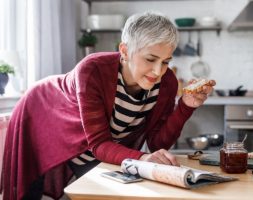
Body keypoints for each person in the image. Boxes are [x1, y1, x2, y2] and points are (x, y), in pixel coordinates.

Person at [0, 11, 215, 200]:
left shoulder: (167, 82)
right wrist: (143, 158)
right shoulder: (92, 70)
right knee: (29, 191)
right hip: (41, 115)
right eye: (150, 59)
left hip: (93, 145)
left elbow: (158, 141)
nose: (158, 71)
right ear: (124, 50)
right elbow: (100, 144)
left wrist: (186, 106)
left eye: (166, 61)